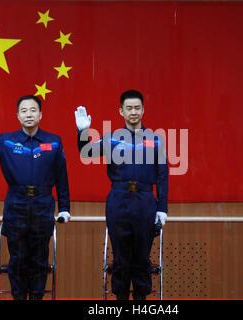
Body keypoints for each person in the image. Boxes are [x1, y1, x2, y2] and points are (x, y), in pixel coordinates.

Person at [0, 95, 71, 300]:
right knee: (17, 259)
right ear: (17, 115)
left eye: (33, 110)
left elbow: (62, 177)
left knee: (40, 260)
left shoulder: (53, 142)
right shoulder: (6, 141)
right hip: (16, 206)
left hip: (43, 206)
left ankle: (36, 298)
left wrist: (64, 207)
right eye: (24, 111)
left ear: (41, 114)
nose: (29, 114)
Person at [75, 89, 168, 300]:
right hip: (119, 201)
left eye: (137, 107)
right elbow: (85, 153)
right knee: (121, 258)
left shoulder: (156, 140)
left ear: (143, 110)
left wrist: (162, 208)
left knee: (142, 258)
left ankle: (141, 300)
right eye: (129, 108)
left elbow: (162, 176)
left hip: (145, 201)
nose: (133, 112)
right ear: (121, 111)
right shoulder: (111, 140)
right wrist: (83, 131)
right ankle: (121, 299)